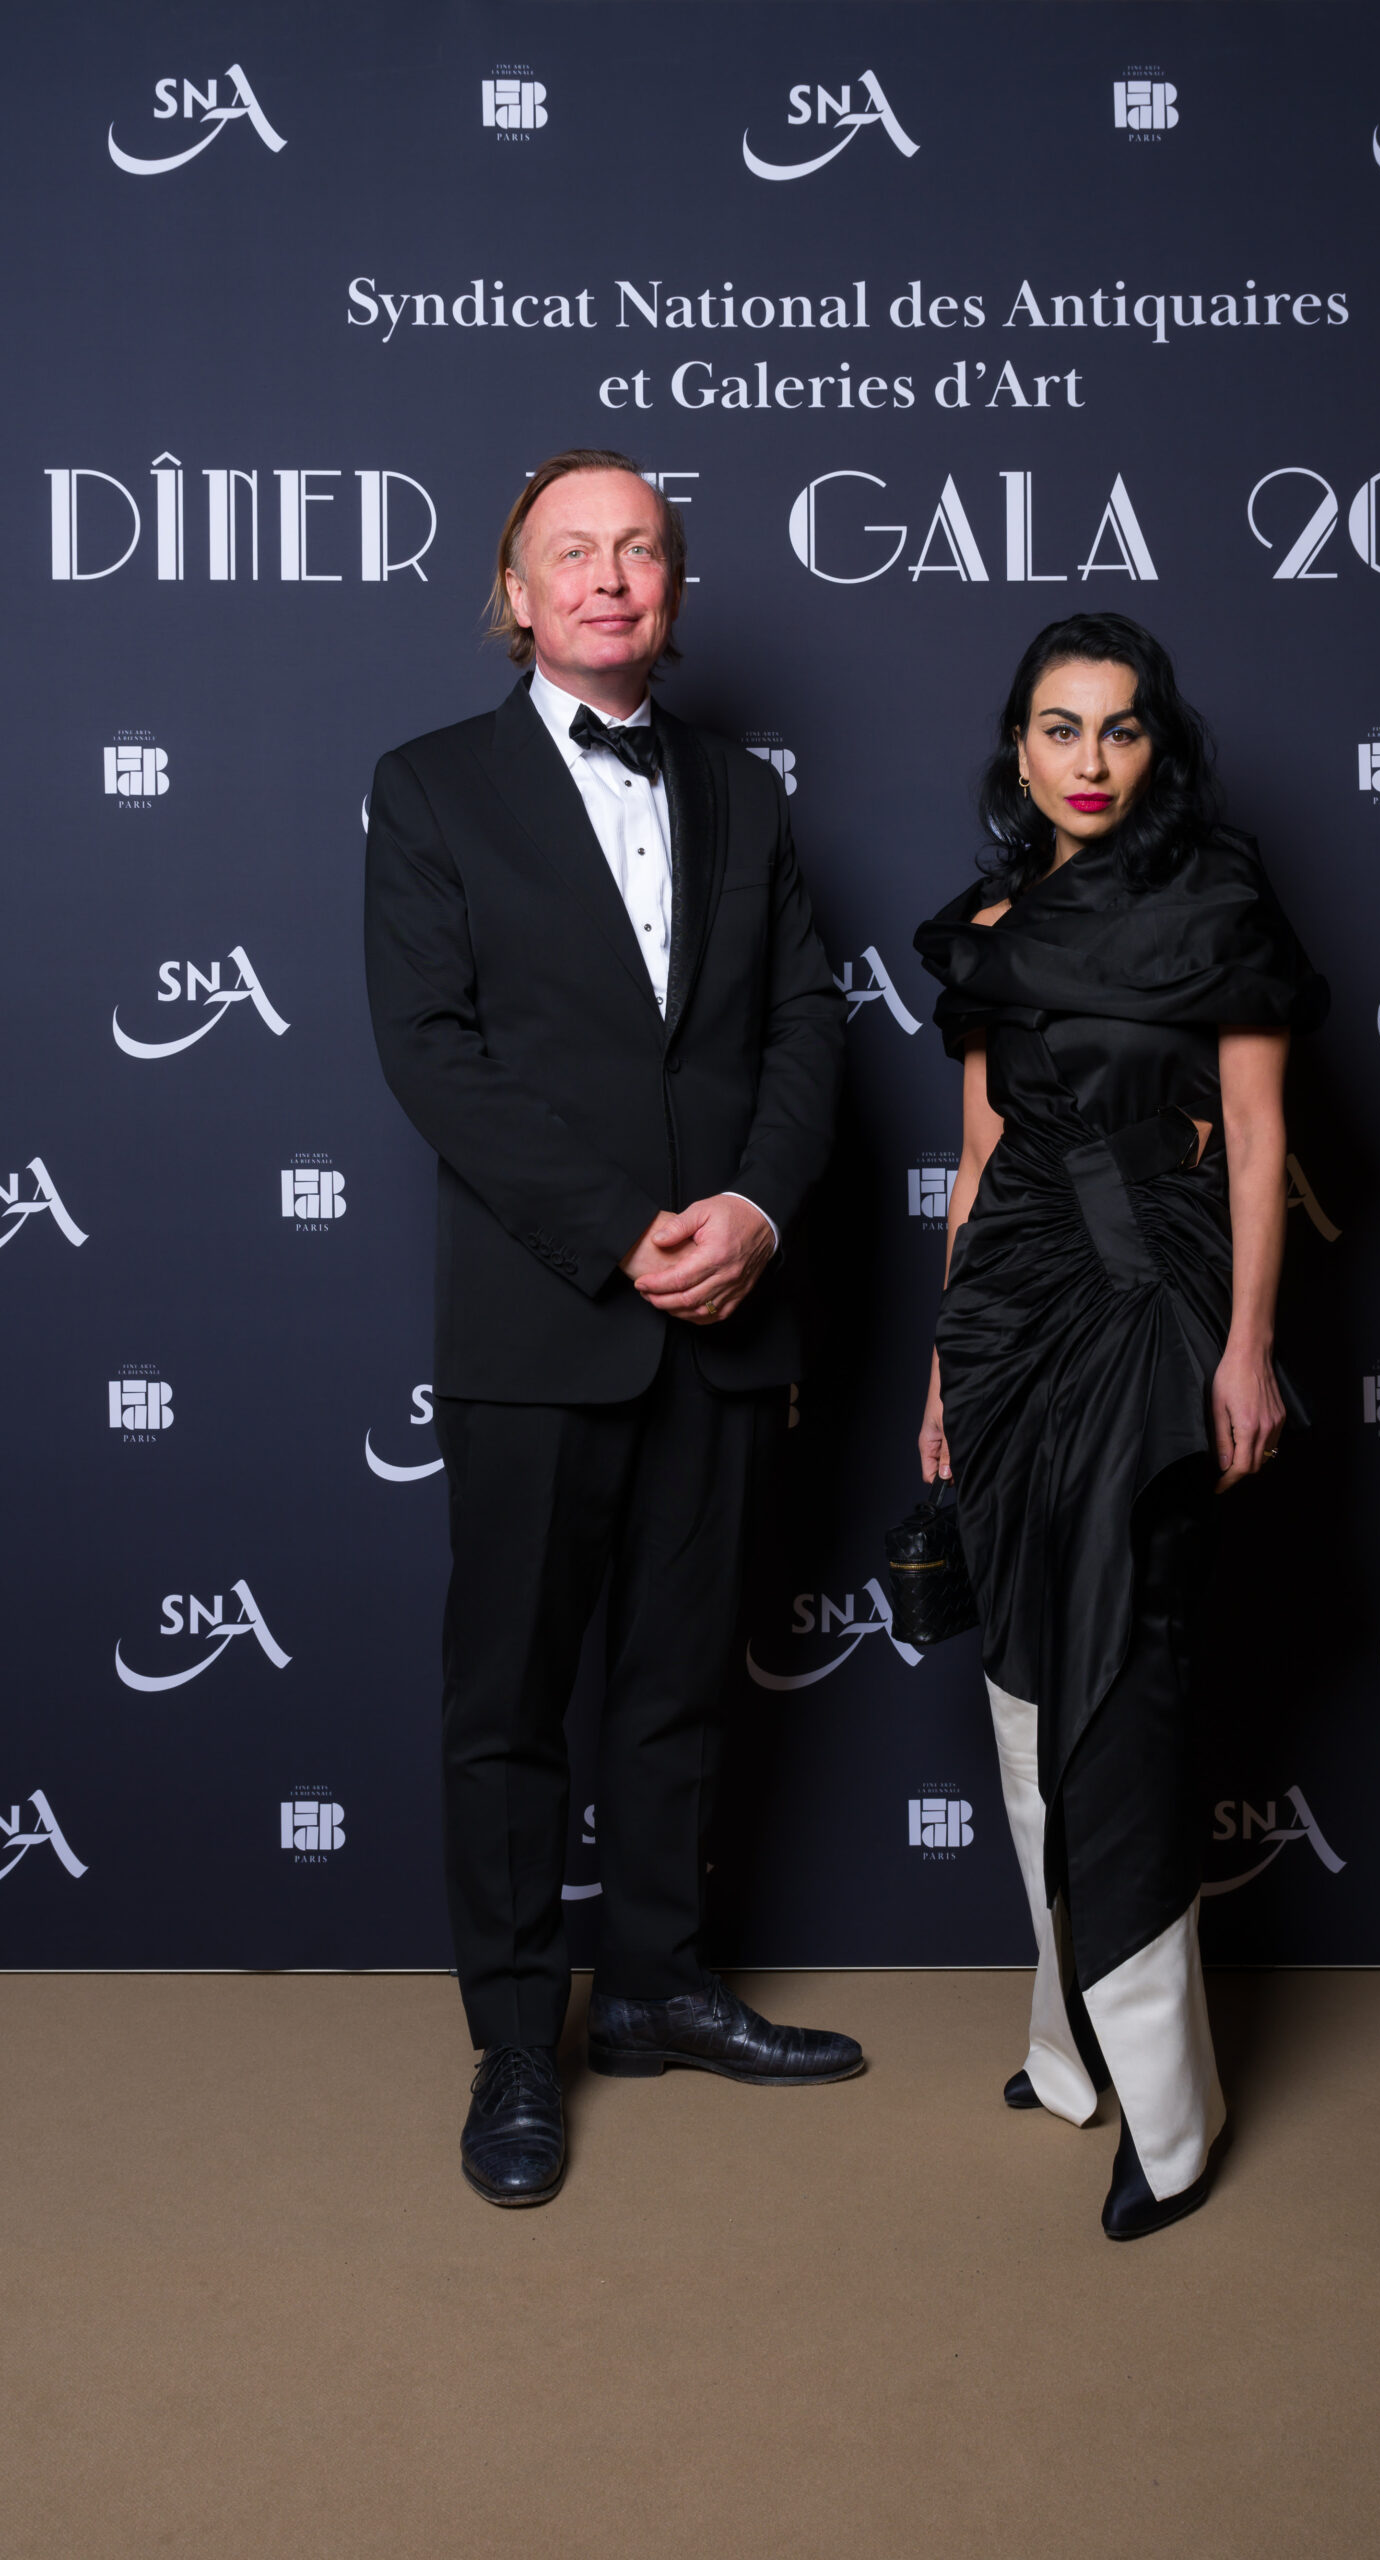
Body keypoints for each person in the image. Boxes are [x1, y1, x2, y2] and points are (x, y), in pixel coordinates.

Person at [365, 447, 859, 2209]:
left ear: (674, 588)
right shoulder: (430, 787)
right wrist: (615, 1234)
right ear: (514, 596)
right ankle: (518, 2041)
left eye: (639, 549)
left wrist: (755, 1214)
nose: (607, 576)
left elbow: (806, 1024)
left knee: (676, 1681)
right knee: (508, 1700)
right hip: (541, 1319)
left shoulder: (744, 793)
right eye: (571, 551)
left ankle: (654, 1985)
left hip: (725, 1313)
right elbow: (432, 1052)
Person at [913, 614, 1327, 2240]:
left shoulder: (1218, 905)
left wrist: (1247, 1351)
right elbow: (975, 1161)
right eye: (1060, 727)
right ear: (1018, 748)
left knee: (1125, 1675)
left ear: (1162, 749)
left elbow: (1256, 1141)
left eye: (1122, 728)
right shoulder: (989, 930)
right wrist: (941, 1369)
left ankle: (1171, 2117)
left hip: (1154, 1310)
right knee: (1026, 1670)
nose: (1090, 761)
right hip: (1009, 1323)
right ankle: (1071, 2036)